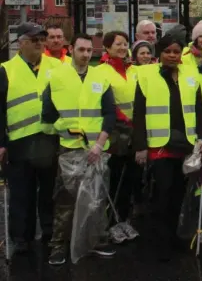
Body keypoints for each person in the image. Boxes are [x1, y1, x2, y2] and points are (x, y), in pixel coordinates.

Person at [132, 30, 202, 261]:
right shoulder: (146, 76)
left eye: (176, 51)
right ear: (160, 53)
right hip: (158, 145)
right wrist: (140, 146)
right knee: (161, 193)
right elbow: (139, 114)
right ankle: (159, 240)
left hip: (184, 144)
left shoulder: (190, 75)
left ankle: (175, 236)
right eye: (168, 51)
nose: (173, 56)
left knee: (178, 194)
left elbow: (199, 109)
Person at [42, 33, 117, 265]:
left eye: (89, 51)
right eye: (81, 50)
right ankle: (58, 246)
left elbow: (109, 114)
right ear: (71, 49)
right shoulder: (56, 77)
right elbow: (48, 116)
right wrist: (68, 132)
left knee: (96, 199)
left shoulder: (100, 77)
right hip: (69, 150)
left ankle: (96, 241)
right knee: (65, 200)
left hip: (96, 151)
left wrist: (98, 144)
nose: (86, 54)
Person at [0, 22, 61, 254]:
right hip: (19, 142)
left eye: (41, 40)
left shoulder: (56, 66)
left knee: (48, 193)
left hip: (49, 140)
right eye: (35, 40)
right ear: (21, 43)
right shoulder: (6, 70)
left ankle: (48, 233)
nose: (40, 44)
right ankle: (20, 237)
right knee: (21, 194)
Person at [96, 31, 141, 242]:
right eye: (118, 44)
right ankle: (111, 222)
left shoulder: (134, 71)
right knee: (114, 179)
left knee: (131, 179)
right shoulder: (101, 71)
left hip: (135, 133)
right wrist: (123, 120)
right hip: (115, 133)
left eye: (125, 44)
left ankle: (124, 219)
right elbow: (105, 103)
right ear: (107, 47)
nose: (123, 47)